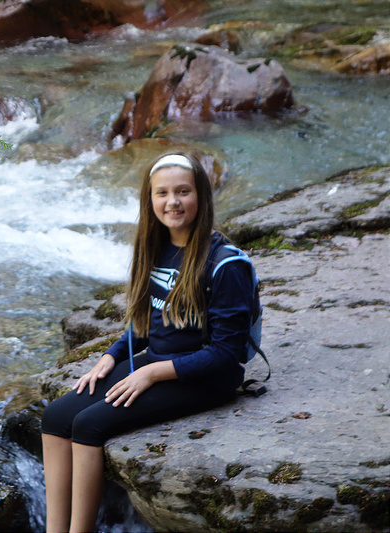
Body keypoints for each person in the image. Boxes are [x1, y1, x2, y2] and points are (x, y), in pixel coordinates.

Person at [40, 152, 252, 533]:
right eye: (163, 193)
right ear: (149, 200)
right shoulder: (154, 247)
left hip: (205, 377)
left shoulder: (225, 264)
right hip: (159, 360)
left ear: (201, 196)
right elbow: (148, 320)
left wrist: (152, 373)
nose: (173, 202)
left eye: (183, 191)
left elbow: (227, 354)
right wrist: (113, 355)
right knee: (55, 418)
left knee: (88, 425)